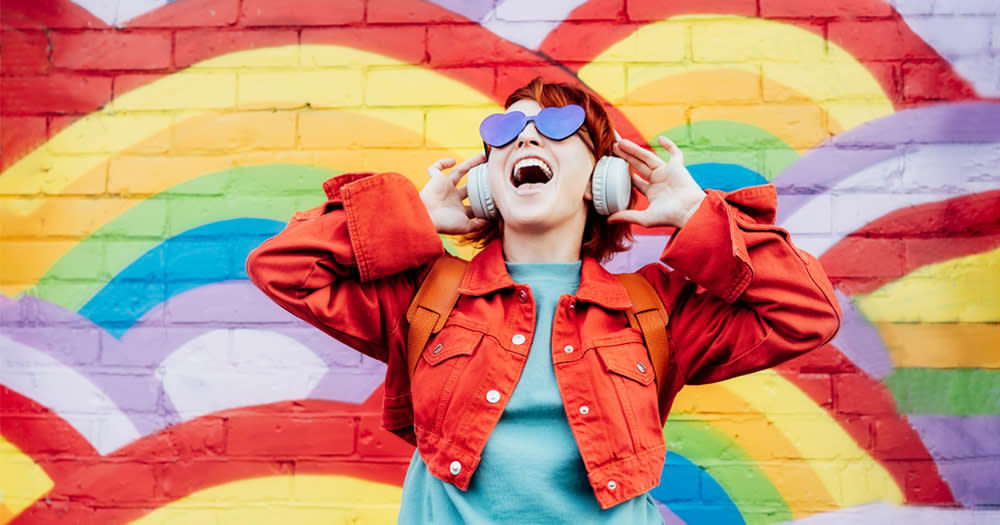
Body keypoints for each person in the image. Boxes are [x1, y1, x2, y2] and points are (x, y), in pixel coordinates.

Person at [246, 77, 841, 524]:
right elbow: (282, 265)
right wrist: (414, 216)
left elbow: (807, 312)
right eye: (502, 132)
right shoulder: (424, 296)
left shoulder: (656, 311)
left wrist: (694, 216)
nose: (526, 134)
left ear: (600, 178)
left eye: (558, 127)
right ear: (486, 183)